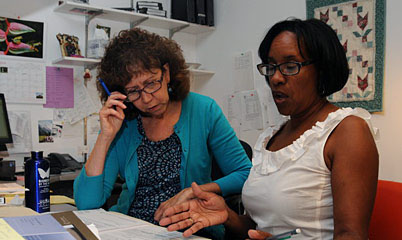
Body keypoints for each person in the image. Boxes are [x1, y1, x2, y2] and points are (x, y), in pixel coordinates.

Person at [159, 18, 379, 239]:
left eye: (290, 67)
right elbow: (259, 227)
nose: (275, 78)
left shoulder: (347, 130)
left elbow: (352, 235)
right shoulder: (271, 137)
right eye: (270, 67)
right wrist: (225, 214)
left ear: (322, 70)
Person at [73, 28, 252, 239]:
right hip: (129, 230)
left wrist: (196, 191)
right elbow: (87, 203)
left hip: (190, 230)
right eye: (133, 91)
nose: (147, 99)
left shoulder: (203, 110)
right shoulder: (124, 123)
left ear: (166, 73)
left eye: (151, 83)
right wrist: (105, 136)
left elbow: (246, 173)